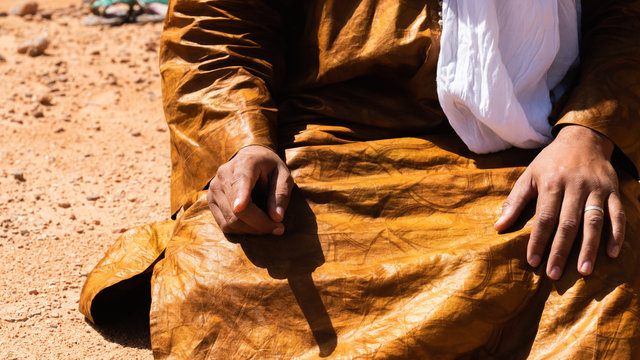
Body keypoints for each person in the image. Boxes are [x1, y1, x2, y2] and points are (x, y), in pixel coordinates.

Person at [80, 0, 640, 358]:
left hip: (527, 150)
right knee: (219, 266)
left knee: (594, 248)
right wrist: (244, 143)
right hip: (329, 144)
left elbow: (626, 20)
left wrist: (587, 136)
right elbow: (216, 28)